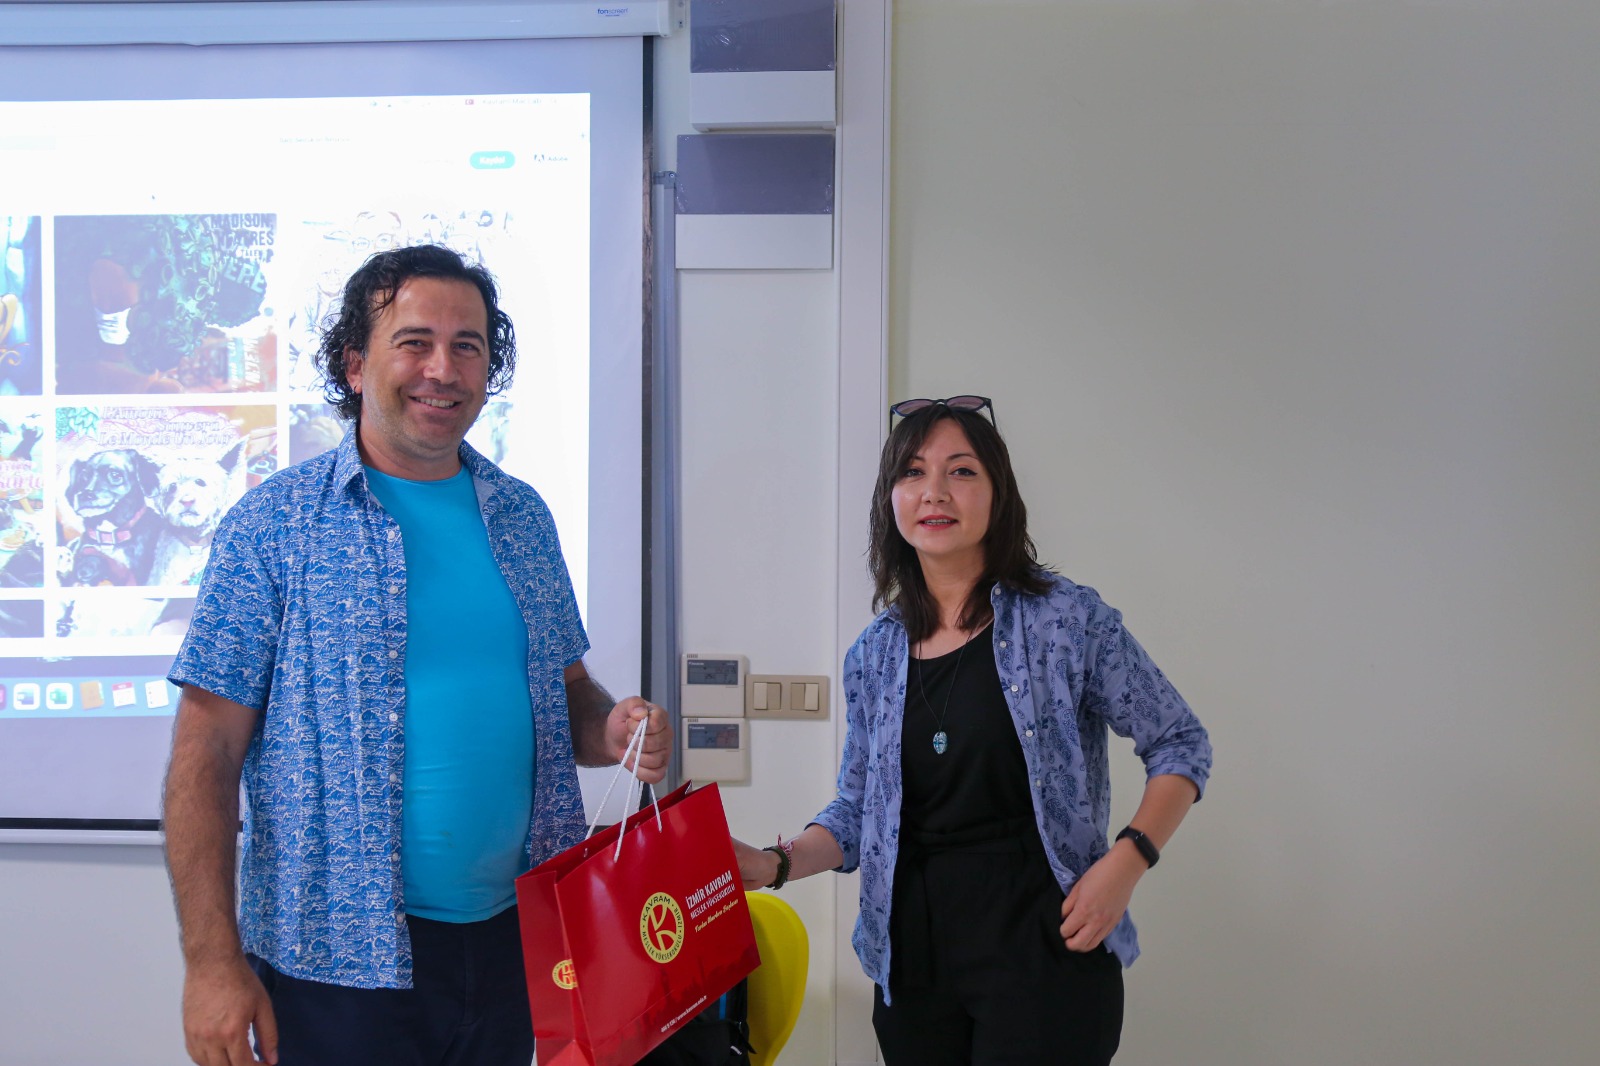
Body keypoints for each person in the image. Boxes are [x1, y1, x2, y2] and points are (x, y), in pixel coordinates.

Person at [162, 244, 669, 1066]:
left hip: (517, 943)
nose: (443, 368)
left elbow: (567, 690)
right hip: (334, 964)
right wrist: (211, 964)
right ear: (355, 365)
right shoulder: (273, 526)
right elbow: (205, 755)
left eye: (467, 346)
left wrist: (610, 729)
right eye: (414, 342)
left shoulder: (522, 518)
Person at [733, 395, 1212, 1065]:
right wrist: (773, 864)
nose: (934, 491)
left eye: (961, 471)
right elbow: (858, 809)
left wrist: (1126, 863)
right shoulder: (874, 653)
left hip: (1044, 943)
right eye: (913, 472)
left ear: (997, 494)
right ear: (891, 499)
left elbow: (1180, 743)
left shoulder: (1066, 621)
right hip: (912, 954)